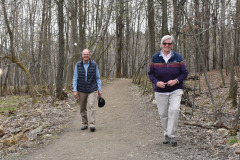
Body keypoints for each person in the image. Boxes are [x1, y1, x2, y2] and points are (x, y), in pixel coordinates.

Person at [148, 35, 188, 146]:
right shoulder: (155, 57)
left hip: (176, 89)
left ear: (172, 45)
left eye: (169, 44)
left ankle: (172, 135)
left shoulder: (178, 57)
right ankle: (166, 134)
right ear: (161, 44)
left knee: (174, 110)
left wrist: (176, 80)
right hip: (160, 91)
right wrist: (156, 82)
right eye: (165, 43)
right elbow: (150, 74)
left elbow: (185, 73)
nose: (167, 45)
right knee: (163, 114)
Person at [73, 49, 102, 132]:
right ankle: (84, 123)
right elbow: (75, 78)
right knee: (82, 108)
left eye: (87, 54)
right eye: (84, 54)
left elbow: (98, 77)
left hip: (92, 89)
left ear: (90, 55)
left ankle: (92, 124)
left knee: (91, 105)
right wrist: (75, 90)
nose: (86, 56)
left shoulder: (94, 65)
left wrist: (99, 89)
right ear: (82, 55)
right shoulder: (78, 65)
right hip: (81, 89)